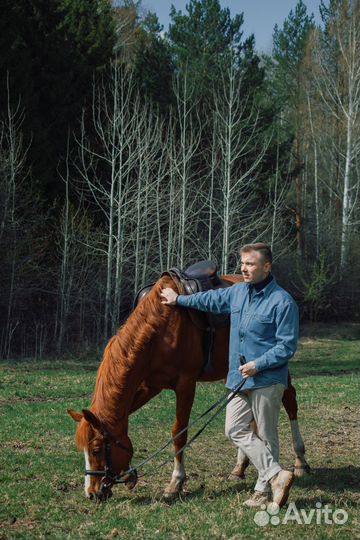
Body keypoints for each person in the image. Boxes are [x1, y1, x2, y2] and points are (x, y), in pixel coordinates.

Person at [160, 243, 298, 508]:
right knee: (233, 428)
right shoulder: (237, 292)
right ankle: (276, 475)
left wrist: (259, 364)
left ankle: (262, 491)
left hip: (266, 379)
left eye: (251, 264)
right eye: (243, 264)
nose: (244, 269)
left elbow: (287, 346)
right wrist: (179, 300)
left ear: (266, 267)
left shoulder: (282, 302)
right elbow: (209, 300)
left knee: (267, 435)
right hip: (238, 379)